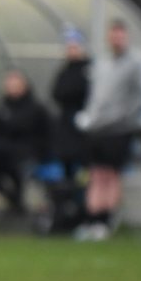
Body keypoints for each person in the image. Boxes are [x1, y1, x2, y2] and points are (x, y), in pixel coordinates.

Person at [74, 19, 141, 241]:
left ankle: (106, 221)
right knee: (96, 174)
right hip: (97, 128)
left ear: (125, 37)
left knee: (110, 175)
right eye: (113, 35)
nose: (116, 39)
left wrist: (125, 117)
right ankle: (92, 220)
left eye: (120, 35)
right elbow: (95, 95)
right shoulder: (103, 62)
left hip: (118, 129)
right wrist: (90, 117)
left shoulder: (136, 62)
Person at [0, 69, 50, 215]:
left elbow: (46, 135)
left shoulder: (36, 108)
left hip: (27, 155)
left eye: (16, 84)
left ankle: (19, 206)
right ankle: (13, 200)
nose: (12, 87)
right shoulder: (2, 108)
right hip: (4, 154)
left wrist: (39, 153)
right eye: (10, 84)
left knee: (21, 171)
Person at [50, 27, 91, 182]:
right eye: (69, 47)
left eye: (75, 46)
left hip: (84, 129)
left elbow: (83, 91)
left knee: (85, 166)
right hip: (67, 127)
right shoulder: (64, 70)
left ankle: (84, 200)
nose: (71, 50)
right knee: (67, 165)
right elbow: (56, 93)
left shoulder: (88, 69)